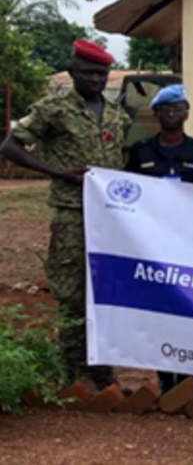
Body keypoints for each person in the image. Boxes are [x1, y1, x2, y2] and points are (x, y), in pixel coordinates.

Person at [0, 40, 129, 385]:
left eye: (101, 74)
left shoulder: (117, 113)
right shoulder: (53, 109)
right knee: (72, 292)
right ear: (72, 72)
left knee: (106, 290)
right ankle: (73, 374)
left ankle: (102, 371)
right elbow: (10, 146)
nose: (95, 80)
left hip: (112, 216)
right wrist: (56, 172)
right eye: (87, 72)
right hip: (73, 211)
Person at [125, 84, 193, 184]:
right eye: (165, 109)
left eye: (177, 109)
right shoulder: (140, 150)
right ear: (156, 114)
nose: (171, 114)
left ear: (186, 114)